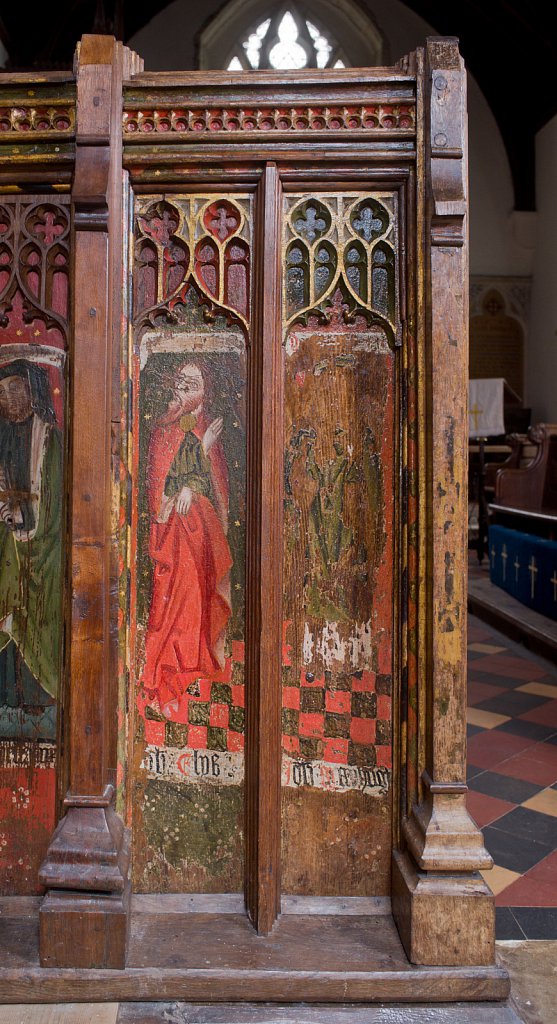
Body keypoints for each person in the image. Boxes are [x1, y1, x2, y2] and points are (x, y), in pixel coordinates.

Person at [141, 362, 232, 718]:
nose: (182, 388)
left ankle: (189, 667)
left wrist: (194, 483)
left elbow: (214, 485)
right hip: (172, 535)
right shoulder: (165, 428)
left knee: (196, 598)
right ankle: (167, 674)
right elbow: (161, 481)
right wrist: (200, 451)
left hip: (199, 532)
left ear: (206, 390)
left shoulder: (207, 426)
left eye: (191, 383)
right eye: (179, 381)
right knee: (176, 600)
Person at [0, 359, 63, 722]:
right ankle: (6, 691)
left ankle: (37, 693)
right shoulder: (2, 435)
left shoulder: (50, 439)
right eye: (2, 392)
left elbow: (55, 500)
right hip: (7, 540)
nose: (8, 398)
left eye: (15, 389)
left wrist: (26, 519)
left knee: (38, 610)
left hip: (44, 544)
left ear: (32, 391)